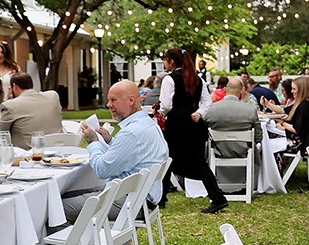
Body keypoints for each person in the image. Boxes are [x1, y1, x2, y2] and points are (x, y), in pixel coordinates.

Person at [67, 80, 170, 221]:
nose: (109, 105)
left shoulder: (131, 133)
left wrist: (93, 142)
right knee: (64, 196)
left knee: (57, 211)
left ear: (131, 101)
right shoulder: (148, 123)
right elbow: (134, 154)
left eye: (113, 100)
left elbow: (102, 170)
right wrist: (111, 141)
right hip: (141, 197)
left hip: (130, 201)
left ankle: (74, 242)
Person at [159, 46, 229, 215]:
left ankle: (160, 198)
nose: (163, 63)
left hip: (176, 125)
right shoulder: (198, 79)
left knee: (167, 159)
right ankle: (217, 197)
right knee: (198, 162)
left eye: (165, 59)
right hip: (194, 126)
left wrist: (161, 112)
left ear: (172, 61)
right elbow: (207, 102)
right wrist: (198, 113)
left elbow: (166, 105)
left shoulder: (169, 80)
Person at [202, 76, 262, 161]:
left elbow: (203, 132)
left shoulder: (211, 109)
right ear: (241, 90)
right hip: (244, 153)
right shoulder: (250, 109)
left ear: (225, 89)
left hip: (217, 152)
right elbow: (258, 137)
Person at [0, 73, 63, 140]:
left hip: (29, 149)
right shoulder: (53, 96)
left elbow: (0, 133)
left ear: (14, 86)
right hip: (58, 146)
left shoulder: (10, 105)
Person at [279, 76, 309, 154]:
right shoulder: (302, 104)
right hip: (299, 142)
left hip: (298, 144)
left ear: (301, 90)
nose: (291, 91)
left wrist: (282, 123)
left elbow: (297, 129)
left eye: (294, 89)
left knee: (268, 147)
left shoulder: (303, 106)